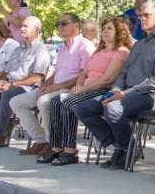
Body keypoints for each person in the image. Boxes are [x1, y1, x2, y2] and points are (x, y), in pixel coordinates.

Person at [74, 2, 155, 169]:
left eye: (146, 15)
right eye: (140, 16)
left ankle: (125, 149)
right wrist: (116, 90)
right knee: (83, 107)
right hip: (125, 93)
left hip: (149, 95)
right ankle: (123, 146)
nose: (141, 19)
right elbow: (123, 73)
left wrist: (125, 93)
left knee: (113, 108)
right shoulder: (139, 44)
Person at [38, 17, 133, 166]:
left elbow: (107, 79)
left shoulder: (121, 51)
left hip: (101, 89)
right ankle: (56, 147)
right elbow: (84, 72)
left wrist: (82, 89)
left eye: (110, 28)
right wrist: (78, 85)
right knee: (55, 102)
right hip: (85, 88)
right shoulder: (99, 49)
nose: (105, 31)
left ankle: (70, 151)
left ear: (120, 32)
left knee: (67, 103)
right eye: (104, 28)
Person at [10, 13, 96, 156]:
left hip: (72, 88)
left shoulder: (85, 46)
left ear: (76, 26)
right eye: (58, 24)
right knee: (16, 102)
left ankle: (53, 143)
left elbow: (84, 75)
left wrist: (57, 87)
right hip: (55, 87)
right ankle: (40, 140)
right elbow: (56, 72)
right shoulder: (62, 48)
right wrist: (44, 86)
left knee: (44, 102)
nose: (59, 27)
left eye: (64, 23)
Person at [0, 16, 51, 149]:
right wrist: (3, 82)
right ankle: (6, 123)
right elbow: (7, 72)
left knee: (8, 94)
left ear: (36, 30)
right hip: (9, 84)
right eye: (22, 26)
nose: (22, 28)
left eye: (26, 26)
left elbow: (36, 78)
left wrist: (12, 84)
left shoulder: (41, 50)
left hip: (27, 88)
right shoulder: (18, 50)